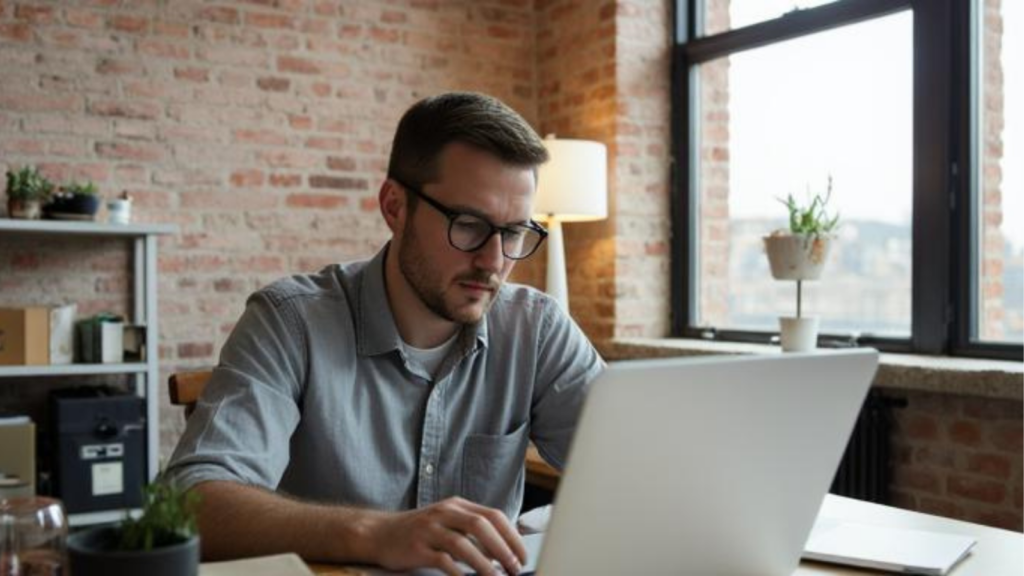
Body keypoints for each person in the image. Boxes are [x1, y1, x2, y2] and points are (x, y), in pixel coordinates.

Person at [164, 92, 604, 575]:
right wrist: (373, 533)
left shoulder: (535, 329)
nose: (494, 261)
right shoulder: (290, 321)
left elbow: (639, 468)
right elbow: (189, 504)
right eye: (469, 225)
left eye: (514, 231)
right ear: (395, 206)